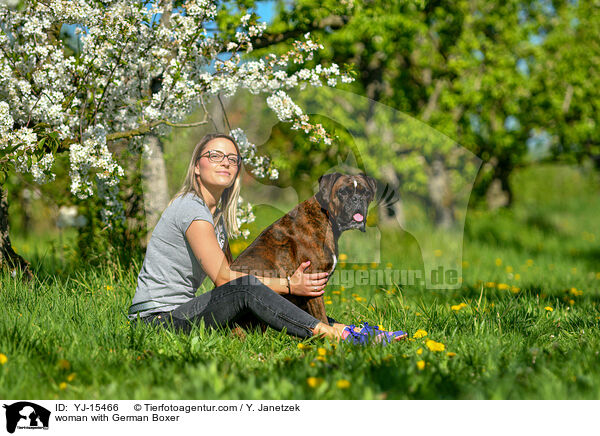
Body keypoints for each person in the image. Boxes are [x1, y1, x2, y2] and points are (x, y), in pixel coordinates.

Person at [127, 132, 406, 344]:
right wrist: (288, 284)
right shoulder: (191, 208)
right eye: (214, 156)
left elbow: (229, 279)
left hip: (183, 313)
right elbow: (226, 280)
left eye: (232, 159)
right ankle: (334, 336)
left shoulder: (215, 216)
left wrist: (273, 297)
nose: (225, 162)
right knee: (249, 286)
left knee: (253, 287)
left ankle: (349, 329)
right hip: (158, 321)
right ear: (197, 167)